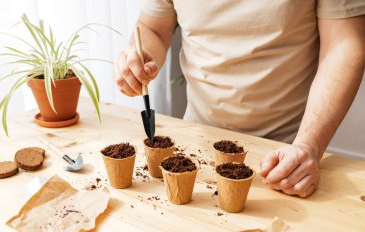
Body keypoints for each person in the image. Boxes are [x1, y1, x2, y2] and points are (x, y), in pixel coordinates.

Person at [114, 1, 365, 197]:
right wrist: (140, 57)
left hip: (284, 155)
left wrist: (308, 146)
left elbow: (344, 43)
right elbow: (153, 28)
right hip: (196, 142)